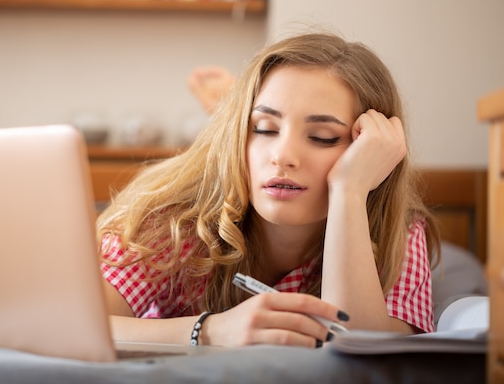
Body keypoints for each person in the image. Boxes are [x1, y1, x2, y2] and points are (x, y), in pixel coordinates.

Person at [97, 32, 440, 348]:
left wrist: (349, 191)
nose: (282, 157)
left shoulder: (399, 230)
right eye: (263, 129)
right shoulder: (173, 217)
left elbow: (364, 358)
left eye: (323, 137)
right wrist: (211, 330)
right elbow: (75, 327)